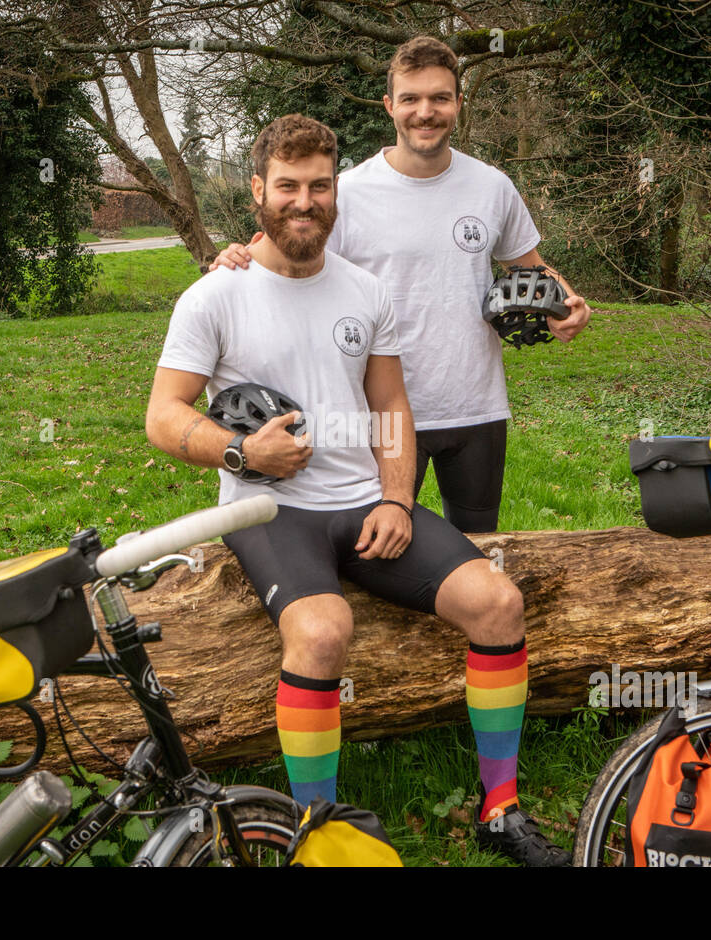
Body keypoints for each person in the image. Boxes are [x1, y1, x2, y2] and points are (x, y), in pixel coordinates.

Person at [146, 113, 568, 866]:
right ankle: (319, 831)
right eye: (287, 186)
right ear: (257, 191)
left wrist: (397, 498)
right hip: (266, 508)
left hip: (363, 503)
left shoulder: (366, 290)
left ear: (334, 189)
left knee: (499, 602)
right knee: (320, 629)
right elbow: (163, 416)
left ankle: (499, 808)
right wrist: (242, 450)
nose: (303, 201)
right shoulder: (214, 295)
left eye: (317, 185)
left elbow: (393, 409)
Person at [211, 35, 592, 533]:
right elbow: (287, 255)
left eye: (439, 97)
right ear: (390, 106)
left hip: (474, 405)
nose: (425, 112)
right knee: (377, 548)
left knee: (479, 544)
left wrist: (567, 300)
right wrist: (234, 255)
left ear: (459, 102)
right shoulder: (348, 192)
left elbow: (534, 267)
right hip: (378, 411)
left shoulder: (492, 186)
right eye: (411, 99)